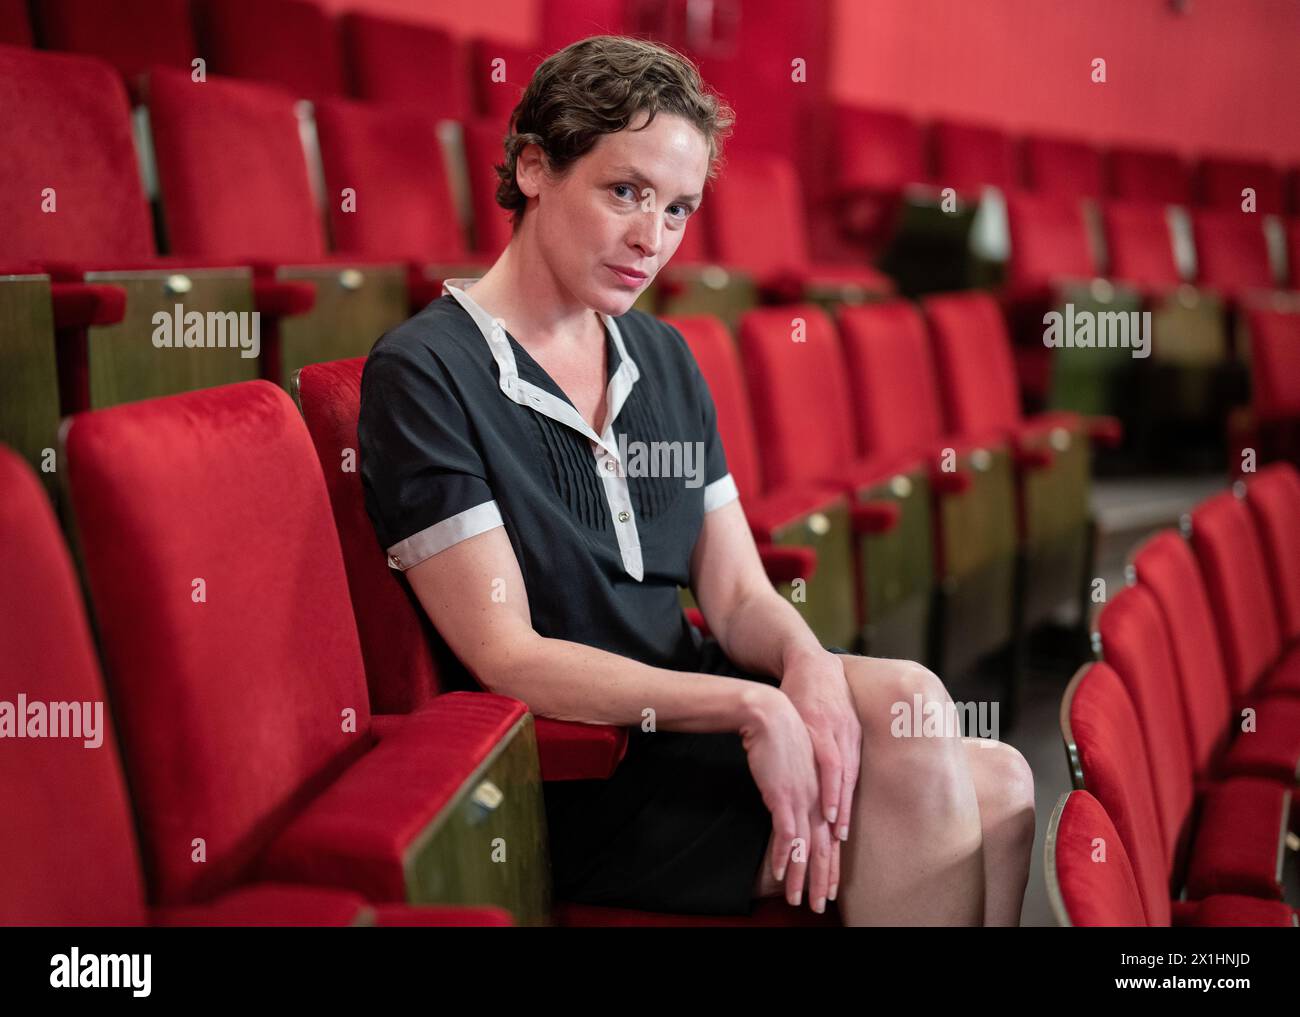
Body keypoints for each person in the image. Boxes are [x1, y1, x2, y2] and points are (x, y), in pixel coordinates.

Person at [357, 34, 1034, 925]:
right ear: (532, 168)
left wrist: (801, 664)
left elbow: (739, 592)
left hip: (695, 700)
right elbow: (506, 654)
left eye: (677, 209)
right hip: (591, 759)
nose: (653, 239)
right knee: (962, 784)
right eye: (625, 192)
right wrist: (752, 706)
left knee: (990, 763)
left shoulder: (665, 354)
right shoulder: (426, 371)